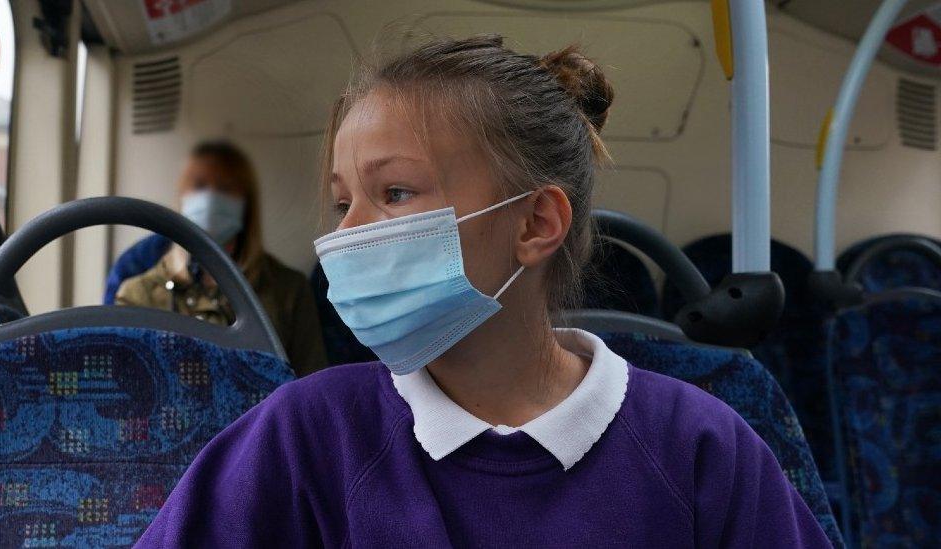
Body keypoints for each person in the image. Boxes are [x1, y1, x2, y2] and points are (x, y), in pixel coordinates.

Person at [135, 36, 831, 547]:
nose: (348, 236)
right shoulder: (305, 433)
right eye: (344, 202)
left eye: (396, 192)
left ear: (535, 223)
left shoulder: (700, 445)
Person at [115, 140, 328, 376]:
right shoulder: (137, 295)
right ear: (181, 197)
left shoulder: (289, 292)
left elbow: (312, 384)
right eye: (199, 185)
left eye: (225, 188)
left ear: (246, 203)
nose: (210, 197)